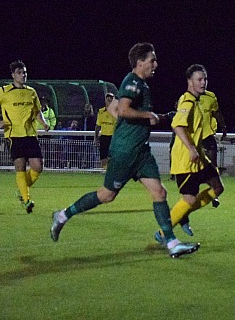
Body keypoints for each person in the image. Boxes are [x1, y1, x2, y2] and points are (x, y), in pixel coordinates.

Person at [49, 42, 200, 258]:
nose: (155, 64)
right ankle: (62, 215)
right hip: (125, 151)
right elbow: (123, 109)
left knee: (159, 192)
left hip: (140, 152)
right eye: (152, 60)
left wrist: (160, 117)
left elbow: (115, 108)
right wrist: (147, 116)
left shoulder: (141, 84)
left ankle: (172, 243)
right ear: (140, 63)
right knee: (106, 195)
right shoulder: (132, 82)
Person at [155, 64, 226, 244]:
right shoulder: (187, 101)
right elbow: (177, 125)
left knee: (218, 187)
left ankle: (182, 216)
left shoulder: (198, 100)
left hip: (199, 157)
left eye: (205, 79)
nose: (203, 83)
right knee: (189, 198)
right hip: (186, 159)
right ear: (189, 81)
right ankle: (163, 233)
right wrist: (191, 148)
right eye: (199, 79)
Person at [0, 60, 50, 213]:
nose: (23, 75)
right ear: (13, 75)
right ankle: (27, 200)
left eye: (25, 73)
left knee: (38, 166)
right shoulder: (3, 91)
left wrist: (43, 122)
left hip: (30, 134)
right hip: (13, 135)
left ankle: (22, 190)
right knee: (20, 167)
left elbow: (36, 111)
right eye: (20, 73)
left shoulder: (31, 92)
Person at [94, 93, 116, 169]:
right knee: (103, 155)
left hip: (113, 137)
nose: (109, 101)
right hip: (104, 136)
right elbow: (97, 126)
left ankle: (111, 170)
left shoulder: (117, 112)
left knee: (112, 155)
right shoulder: (101, 111)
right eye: (108, 100)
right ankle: (105, 170)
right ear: (105, 100)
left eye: (111, 100)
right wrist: (96, 138)